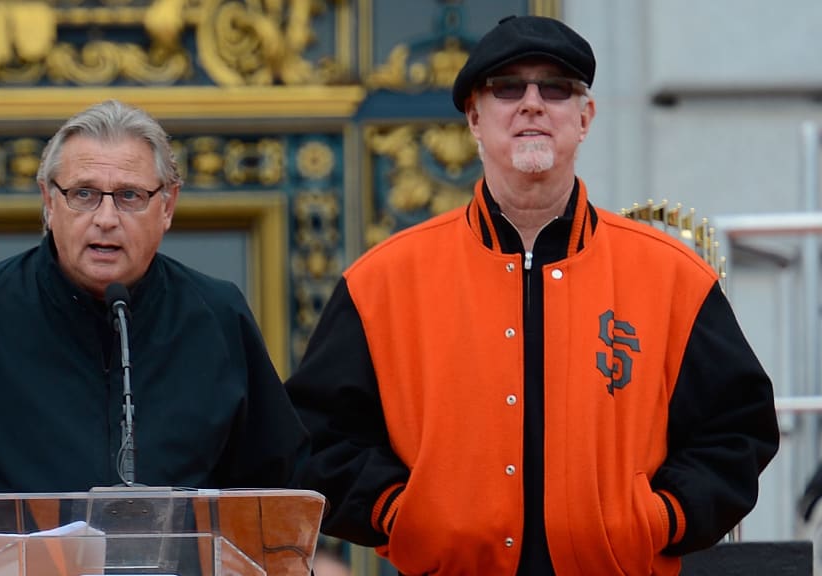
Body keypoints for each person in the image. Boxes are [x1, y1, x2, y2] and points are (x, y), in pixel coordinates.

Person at [285, 15, 780, 576]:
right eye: (507, 88)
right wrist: (406, 514)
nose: (532, 103)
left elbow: (738, 429)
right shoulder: (382, 281)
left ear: (585, 117)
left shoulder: (672, 276)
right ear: (474, 116)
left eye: (556, 88)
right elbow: (315, 439)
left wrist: (657, 520)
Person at [0, 99, 309, 576]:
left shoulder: (217, 316)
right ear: (48, 201)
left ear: (168, 205)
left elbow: (277, 491)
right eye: (83, 194)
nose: (105, 218)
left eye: (130, 196)